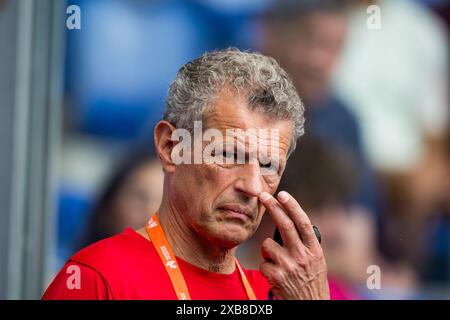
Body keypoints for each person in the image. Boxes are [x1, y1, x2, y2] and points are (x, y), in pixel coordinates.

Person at [42, 48, 330, 300]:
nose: (253, 187)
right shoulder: (97, 279)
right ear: (171, 147)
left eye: (268, 166)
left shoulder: (274, 293)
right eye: (228, 155)